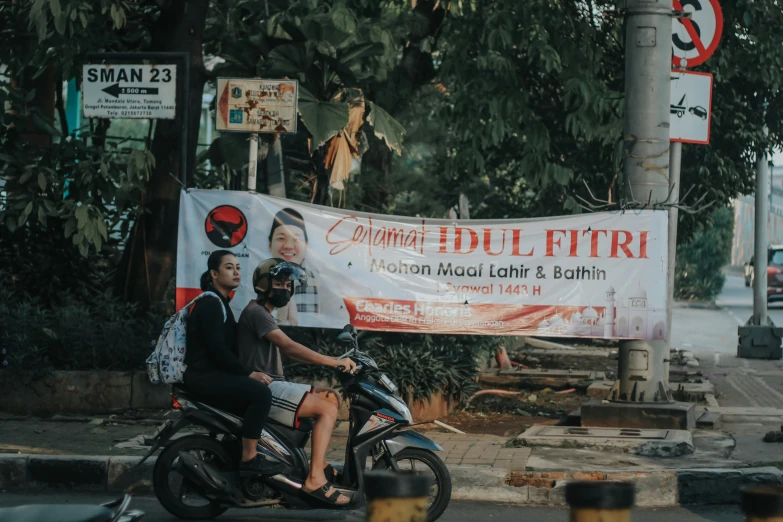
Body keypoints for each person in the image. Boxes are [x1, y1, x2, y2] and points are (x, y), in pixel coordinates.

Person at [237, 258, 357, 506]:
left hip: (275, 383)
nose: (285, 288)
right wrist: (333, 362)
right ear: (262, 284)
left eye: (288, 284)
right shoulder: (256, 312)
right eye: (279, 283)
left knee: (330, 396)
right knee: (326, 409)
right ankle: (315, 480)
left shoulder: (264, 313)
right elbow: (290, 348)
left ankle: (320, 465)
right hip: (265, 388)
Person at [183, 250, 282, 476]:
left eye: (238, 267)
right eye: (229, 267)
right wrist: (248, 374)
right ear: (214, 274)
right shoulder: (210, 303)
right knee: (260, 394)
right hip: (204, 377)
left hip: (211, 374)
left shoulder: (220, 302)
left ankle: (234, 447)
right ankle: (249, 458)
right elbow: (218, 350)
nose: (236, 272)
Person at [267, 208, 350, 327]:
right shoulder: (258, 280)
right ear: (270, 245)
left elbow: (341, 323)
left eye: (296, 239)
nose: (289, 246)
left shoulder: (322, 282)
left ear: (306, 245)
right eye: (281, 238)